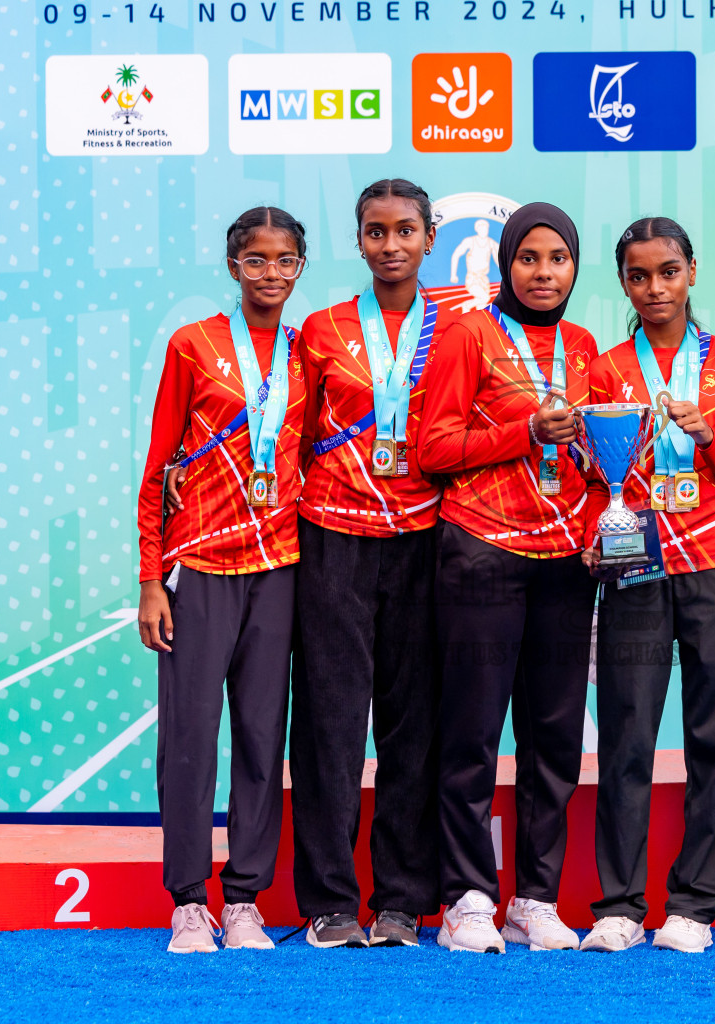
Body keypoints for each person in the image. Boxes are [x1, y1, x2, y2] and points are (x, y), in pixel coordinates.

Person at [577, 217, 715, 955]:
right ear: (623, 282)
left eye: (668, 272)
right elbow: (593, 481)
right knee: (626, 736)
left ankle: (693, 905)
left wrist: (712, 437)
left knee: (713, 740)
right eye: (638, 276)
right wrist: (600, 528)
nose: (654, 288)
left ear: (692, 271)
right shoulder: (604, 367)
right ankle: (619, 905)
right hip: (636, 568)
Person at [415, 203, 599, 954]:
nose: (544, 272)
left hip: (565, 564)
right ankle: (466, 898)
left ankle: (535, 897)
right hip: (483, 553)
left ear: (574, 268)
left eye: (558, 258)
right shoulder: (469, 333)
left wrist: (600, 522)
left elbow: (605, 460)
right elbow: (433, 446)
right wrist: (525, 431)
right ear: (506, 266)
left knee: (554, 737)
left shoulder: (587, 347)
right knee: (470, 734)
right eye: (530, 258)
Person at [287, 179, 460, 949]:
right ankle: (328, 901)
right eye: (375, 232)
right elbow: (285, 439)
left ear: (430, 237)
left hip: (423, 541)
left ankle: (401, 901)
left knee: (413, 725)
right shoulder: (321, 330)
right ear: (358, 241)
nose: (390, 245)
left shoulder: (459, 331)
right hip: (334, 541)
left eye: (405, 231)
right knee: (328, 725)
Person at [136, 206, 309, 954]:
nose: (271, 273)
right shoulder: (194, 345)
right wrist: (150, 580)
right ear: (233, 266)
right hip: (200, 568)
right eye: (257, 260)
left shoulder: (311, 354)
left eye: (285, 260)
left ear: (301, 267)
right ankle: (186, 900)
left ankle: (244, 898)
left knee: (262, 739)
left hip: (279, 567)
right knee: (188, 740)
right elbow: (155, 468)